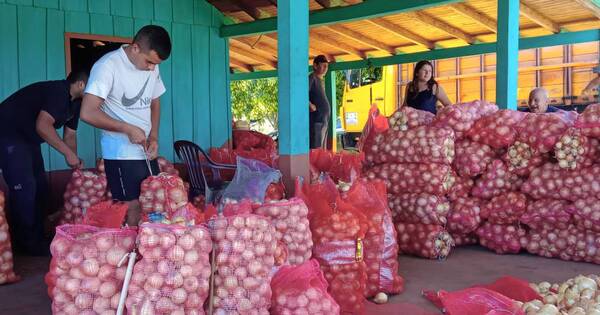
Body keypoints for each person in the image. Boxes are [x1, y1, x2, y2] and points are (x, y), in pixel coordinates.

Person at [80, 25, 171, 226]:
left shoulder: (153, 67)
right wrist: (126, 128)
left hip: (145, 151)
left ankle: (147, 252)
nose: (151, 68)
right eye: (149, 62)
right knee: (133, 206)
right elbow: (87, 112)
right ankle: (132, 253)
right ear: (136, 48)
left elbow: (155, 101)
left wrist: (154, 135)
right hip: (120, 153)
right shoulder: (108, 66)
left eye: (155, 64)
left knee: (152, 202)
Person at [0, 70, 88, 255]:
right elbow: (43, 126)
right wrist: (67, 153)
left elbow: (70, 135)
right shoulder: (58, 91)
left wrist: (73, 159)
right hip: (8, 134)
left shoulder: (76, 103)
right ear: (81, 84)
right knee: (25, 188)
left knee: (41, 186)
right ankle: (27, 244)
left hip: (28, 139)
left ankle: (37, 237)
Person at [309, 55, 331, 149]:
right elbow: (301, 93)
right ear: (315, 65)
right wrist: (309, 104)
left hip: (323, 121)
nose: (326, 68)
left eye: (327, 66)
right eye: (324, 65)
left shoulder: (320, 80)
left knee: (321, 149)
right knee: (316, 149)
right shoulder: (312, 77)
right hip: (317, 121)